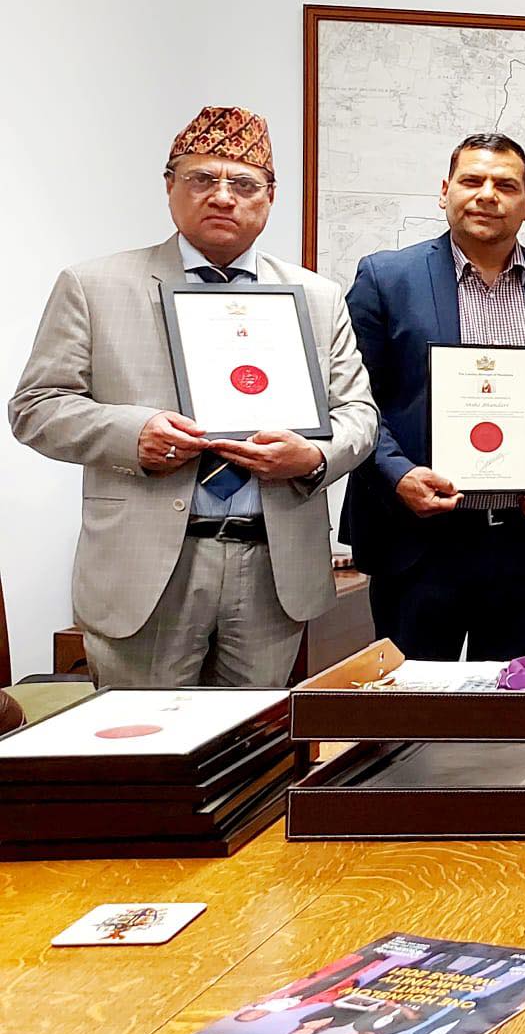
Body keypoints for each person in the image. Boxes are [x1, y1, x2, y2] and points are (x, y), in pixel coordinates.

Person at [10, 106, 376, 688]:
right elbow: (36, 407)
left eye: (244, 184)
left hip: (272, 568)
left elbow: (358, 413)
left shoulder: (317, 296)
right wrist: (133, 434)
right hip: (146, 567)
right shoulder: (94, 286)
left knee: (255, 740)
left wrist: (313, 457)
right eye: (202, 178)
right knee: (142, 742)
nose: (223, 197)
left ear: (271, 197)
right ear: (170, 186)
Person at [341, 132, 525, 660]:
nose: (487, 195)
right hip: (418, 541)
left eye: (505, 185)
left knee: (517, 703)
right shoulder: (386, 278)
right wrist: (397, 474)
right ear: (445, 192)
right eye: (472, 180)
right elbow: (351, 395)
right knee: (413, 702)